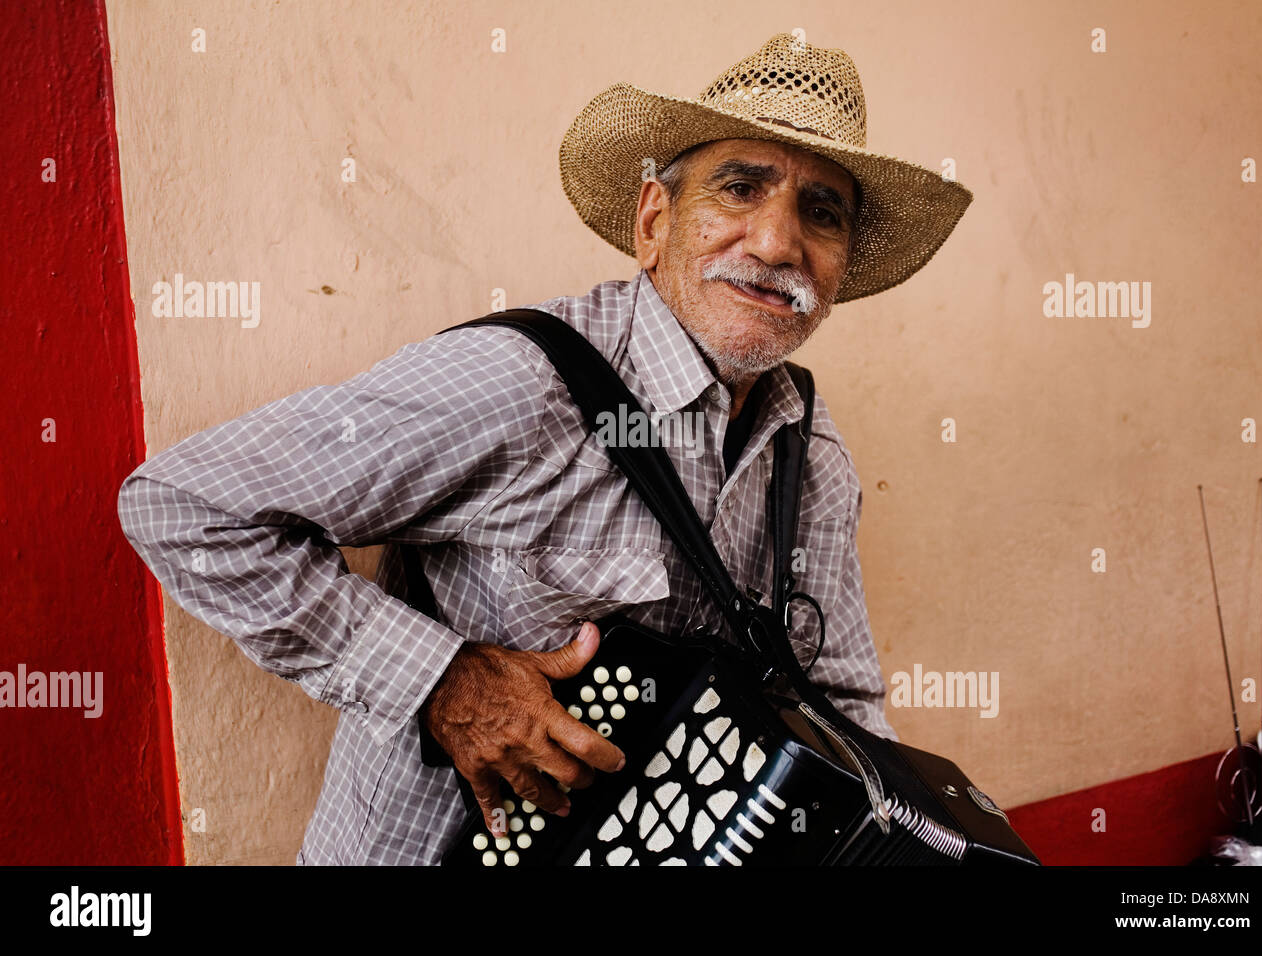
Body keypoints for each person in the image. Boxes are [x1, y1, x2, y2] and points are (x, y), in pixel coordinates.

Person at [117, 33, 972, 865]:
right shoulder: (524, 382)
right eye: (741, 188)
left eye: (820, 214)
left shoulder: (809, 448)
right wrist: (440, 680)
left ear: (838, 268)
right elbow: (183, 504)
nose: (779, 242)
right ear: (653, 222)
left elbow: (843, 700)